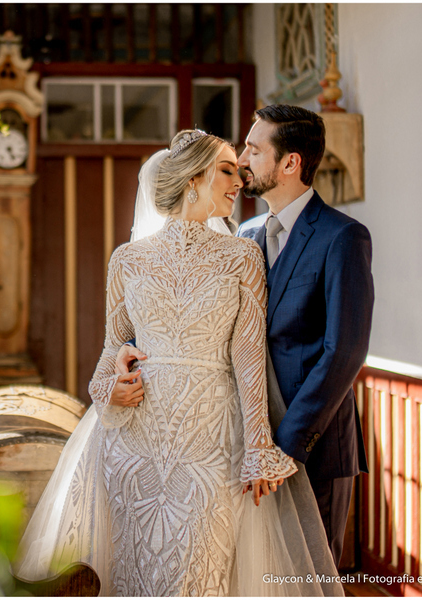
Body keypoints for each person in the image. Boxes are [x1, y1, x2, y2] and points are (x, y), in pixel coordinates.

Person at [14, 129, 343, 596]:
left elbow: (248, 358)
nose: (239, 180)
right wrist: (106, 388)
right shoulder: (127, 260)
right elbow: (112, 350)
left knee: (201, 572)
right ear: (193, 178)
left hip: (211, 443)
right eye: (227, 169)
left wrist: (257, 450)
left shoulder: (242, 257)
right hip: (134, 443)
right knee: (136, 573)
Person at [118, 105, 374, 567]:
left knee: (308, 578)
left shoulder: (343, 237)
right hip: (237, 446)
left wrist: (283, 447)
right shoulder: (243, 238)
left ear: (290, 163)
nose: (242, 161)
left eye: (254, 150)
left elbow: (344, 352)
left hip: (308, 445)